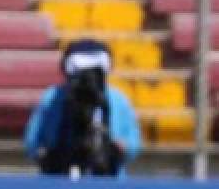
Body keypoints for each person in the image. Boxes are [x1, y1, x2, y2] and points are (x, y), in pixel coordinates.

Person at [24, 38, 141, 177]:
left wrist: (119, 147)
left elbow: (133, 142)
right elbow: (32, 141)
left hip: (109, 179)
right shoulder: (51, 98)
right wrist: (46, 153)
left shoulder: (118, 100)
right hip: (58, 177)